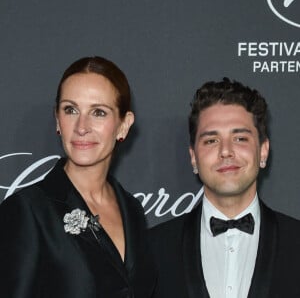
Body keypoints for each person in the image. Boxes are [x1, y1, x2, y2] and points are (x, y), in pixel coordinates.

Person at [0, 56, 156, 298]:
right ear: (58, 120)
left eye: (99, 112)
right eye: (71, 110)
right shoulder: (27, 211)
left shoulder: (132, 209)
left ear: (124, 125)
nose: (82, 126)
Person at [150, 77, 300, 298]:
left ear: (263, 151)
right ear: (193, 157)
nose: (226, 151)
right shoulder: (152, 249)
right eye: (211, 140)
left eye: (240, 138)